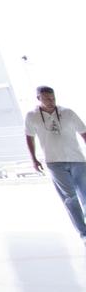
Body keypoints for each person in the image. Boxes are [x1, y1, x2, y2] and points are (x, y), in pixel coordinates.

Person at [24, 85, 86, 241]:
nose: (51, 101)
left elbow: (83, 132)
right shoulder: (32, 116)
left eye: (53, 98)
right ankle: (84, 233)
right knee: (70, 198)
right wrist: (33, 159)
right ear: (39, 98)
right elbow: (29, 137)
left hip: (77, 160)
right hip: (54, 163)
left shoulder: (68, 113)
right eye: (46, 99)